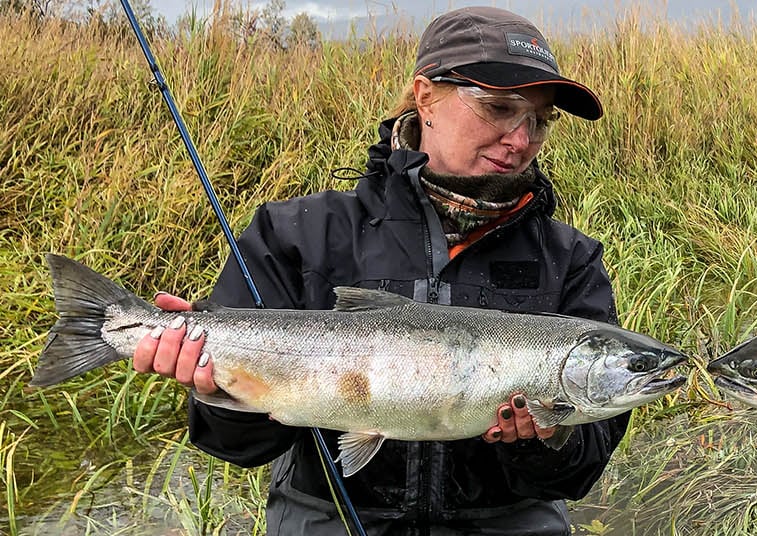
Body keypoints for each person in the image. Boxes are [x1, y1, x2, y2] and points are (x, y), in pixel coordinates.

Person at [131, 7, 623, 534]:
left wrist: (545, 443)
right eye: (500, 108)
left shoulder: (571, 260)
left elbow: (579, 472)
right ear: (426, 96)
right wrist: (215, 390)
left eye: (540, 120)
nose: (521, 139)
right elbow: (237, 447)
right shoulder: (298, 234)